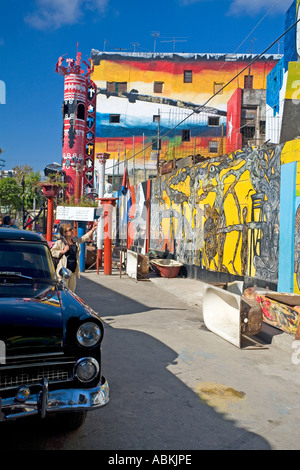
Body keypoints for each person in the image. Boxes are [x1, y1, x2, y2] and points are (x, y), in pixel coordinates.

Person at [51, 221, 98, 292]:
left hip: (73, 272)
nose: (72, 231)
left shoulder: (75, 241)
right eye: (70, 230)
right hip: (63, 272)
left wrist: (93, 229)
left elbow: (84, 238)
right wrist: (62, 251)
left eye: (72, 229)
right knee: (63, 292)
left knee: (71, 292)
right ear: (65, 233)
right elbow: (52, 252)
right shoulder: (60, 242)